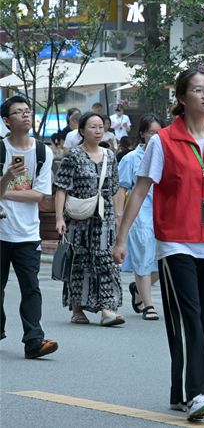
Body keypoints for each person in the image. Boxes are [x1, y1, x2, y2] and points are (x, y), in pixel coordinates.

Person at [112, 68, 204, 422]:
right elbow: (140, 190)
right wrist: (122, 238)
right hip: (175, 244)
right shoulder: (163, 141)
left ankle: (181, 391)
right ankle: (197, 394)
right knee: (189, 317)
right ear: (182, 98)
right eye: (198, 90)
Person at [0, 96, 58, 359]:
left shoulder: (43, 152)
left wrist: (5, 191)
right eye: (18, 112)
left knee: (31, 288)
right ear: (6, 121)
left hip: (28, 232)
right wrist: (7, 178)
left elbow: (39, 195)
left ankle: (34, 340)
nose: (25, 115)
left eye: (27, 111)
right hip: (1, 232)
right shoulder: (0, 150)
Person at [54, 112, 125, 327]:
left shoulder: (110, 156)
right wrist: (59, 218)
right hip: (78, 220)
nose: (98, 131)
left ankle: (106, 309)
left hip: (104, 220)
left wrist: (118, 217)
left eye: (101, 127)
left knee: (105, 261)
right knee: (79, 262)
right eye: (93, 127)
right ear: (82, 131)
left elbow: (115, 189)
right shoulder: (73, 156)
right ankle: (77, 309)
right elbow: (61, 189)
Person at [115, 115, 164, 321]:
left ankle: (138, 289)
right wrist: (119, 217)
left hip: (161, 216)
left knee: (164, 261)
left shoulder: (166, 156)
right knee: (143, 257)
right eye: (151, 132)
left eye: (159, 132)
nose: (155, 136)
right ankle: (149, 305)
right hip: (139, 217)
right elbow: (121, 189)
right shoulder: (131, 159)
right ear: (143, 134)